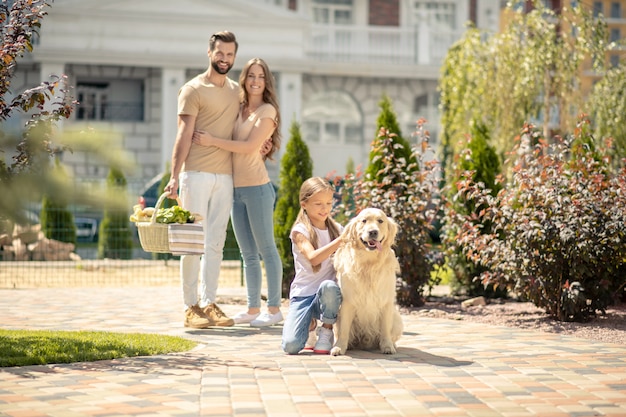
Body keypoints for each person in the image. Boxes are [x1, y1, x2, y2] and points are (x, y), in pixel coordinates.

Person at [192, 58, 283, 327]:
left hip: (257, 188)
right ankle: (253, 308)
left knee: (267, 249)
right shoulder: (239, 108)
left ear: (267, 82)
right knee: (248, 254)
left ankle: (275, 309)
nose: (255, 81)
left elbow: (249, 147)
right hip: (235, 189)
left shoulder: (267, 111)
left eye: (261, 76)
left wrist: (211, 141)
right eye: (251, 76)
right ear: (244, 79)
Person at [163, 30, 239, 329]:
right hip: (195, 174)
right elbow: (182, 135)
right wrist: (173, 176)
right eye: (220, 53)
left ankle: (209, 302)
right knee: (192, 243)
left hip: (226, 175)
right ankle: (190, 306)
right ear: (210, 53)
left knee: (216, 243)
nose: (224, 59)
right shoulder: (192, 89)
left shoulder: (236, 91)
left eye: (230, 54)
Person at [281, 177, 343, 354]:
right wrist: (341, 240)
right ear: (304, 204)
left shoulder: (337, 229)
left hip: (328, 296)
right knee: (290, 346)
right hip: (303, 295)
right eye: (318, 204)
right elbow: (314, 258)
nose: (325, 209)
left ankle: (327, 330)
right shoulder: (300, 231)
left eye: (328, 203)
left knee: (329, 286)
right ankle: (310, 326)